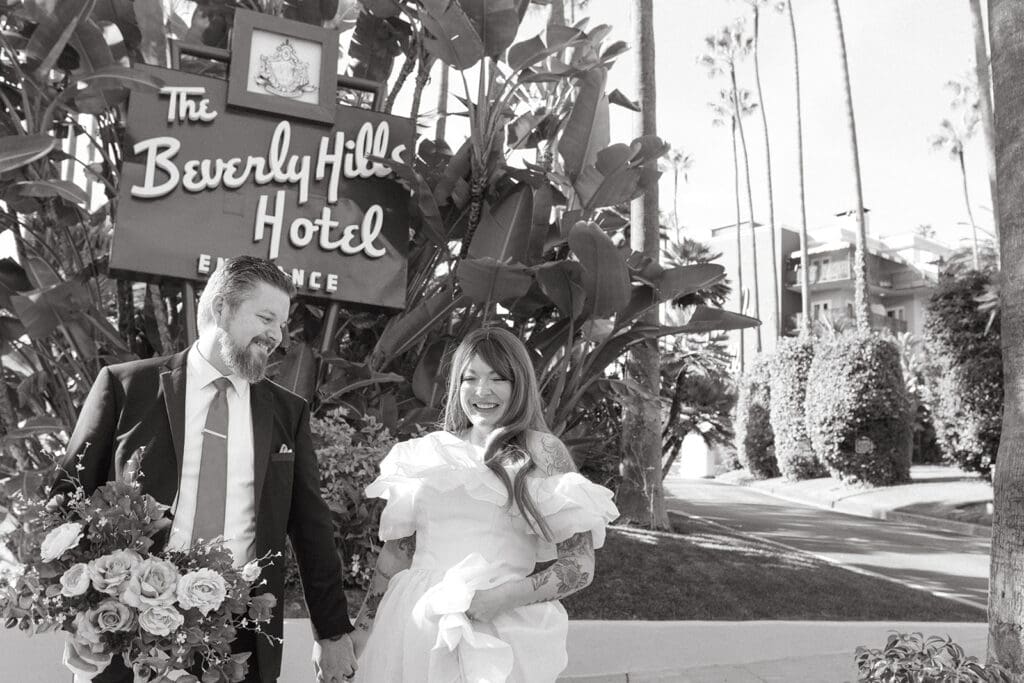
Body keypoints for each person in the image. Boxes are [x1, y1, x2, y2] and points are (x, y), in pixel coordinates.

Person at [58, 256, 357, 683]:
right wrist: (79, 617)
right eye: (266, 317)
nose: (276, 335)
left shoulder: (287, 413)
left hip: (239, 641)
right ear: (221, 308)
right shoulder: (126, 387)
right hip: (125, 631)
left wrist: (332, 632)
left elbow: (311, 528)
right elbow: (69, 504)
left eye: (281, 324)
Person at [351, 326, 619, 682]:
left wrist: (503, 597)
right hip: (413, 626)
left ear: (518, 384)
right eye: (470, 377)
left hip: (496, 630)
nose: (482, 390)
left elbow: (580, 565)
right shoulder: (426, 452)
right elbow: (395, 556)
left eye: (498, 378)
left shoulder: (542, 451)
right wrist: (361, 630)